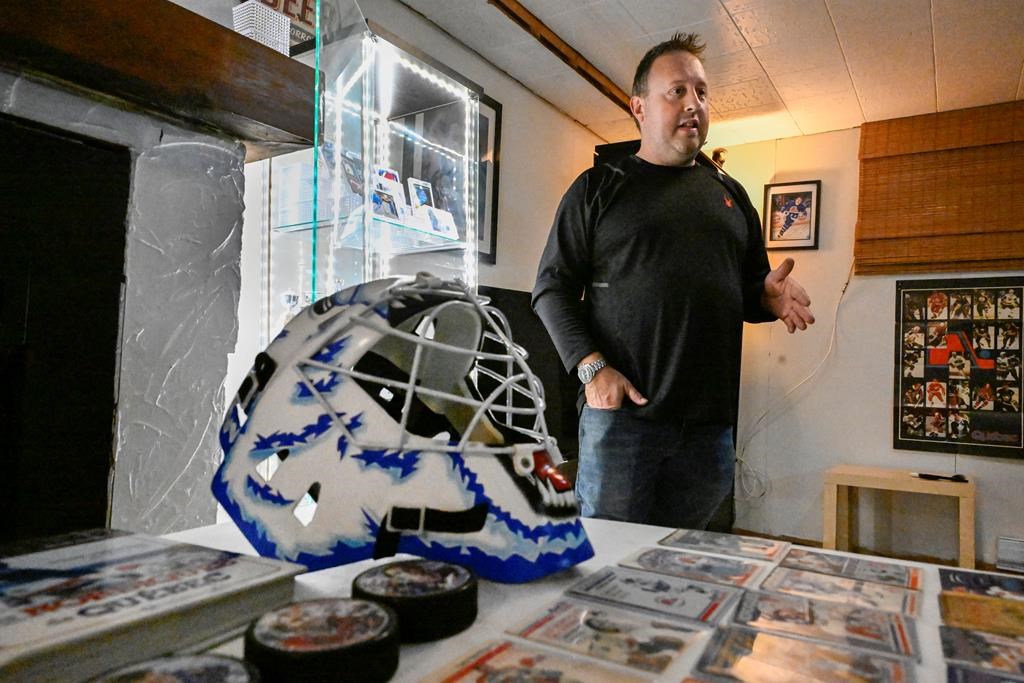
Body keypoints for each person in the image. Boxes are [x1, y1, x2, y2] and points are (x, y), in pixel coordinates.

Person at [531, 33, 814, 529]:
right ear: (639, 107)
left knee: (689, 569)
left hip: (708, 433)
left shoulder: (732, 196)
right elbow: (551, 289)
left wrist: (767, 298)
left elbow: (749, 292)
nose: (693, 104)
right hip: (622, 424)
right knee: (608, 565)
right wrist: (591, 369)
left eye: (702, 93)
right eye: (677, 91)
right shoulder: (598, 189)